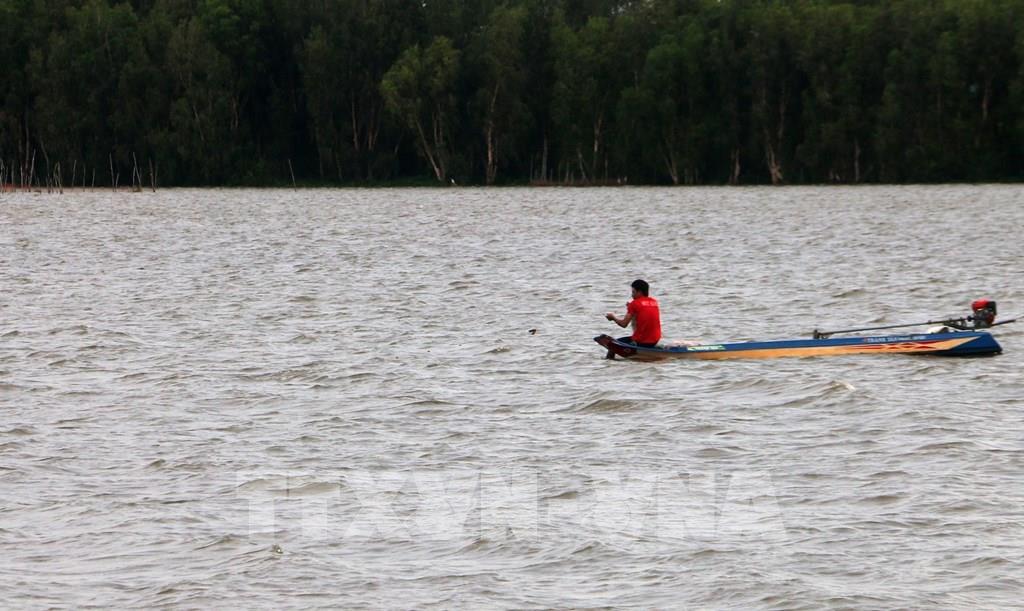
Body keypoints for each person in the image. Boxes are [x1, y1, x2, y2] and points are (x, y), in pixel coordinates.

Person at [605, 279, 662, 350]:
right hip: (655, 340)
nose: (632, 295)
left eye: (633, 292)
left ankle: (610, 357)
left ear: (639, 292)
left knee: (613, 345)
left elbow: (624, 324)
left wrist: (613, 318)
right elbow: (644, 311)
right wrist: (631, 308)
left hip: (642, 342)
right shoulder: (654, 302)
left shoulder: (634, 304)